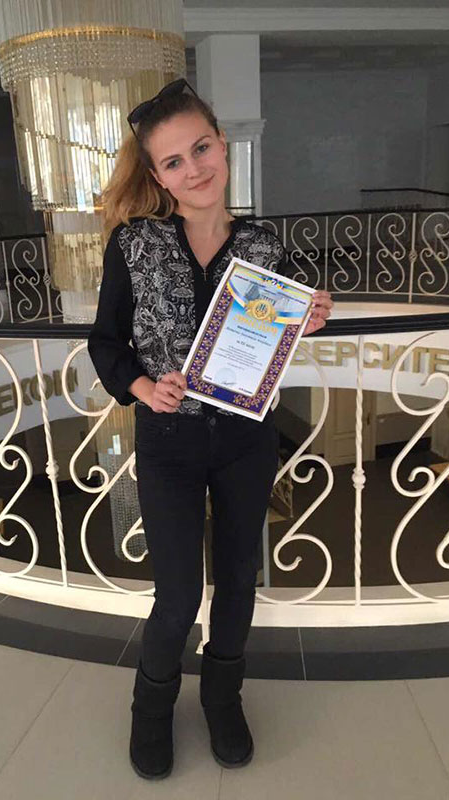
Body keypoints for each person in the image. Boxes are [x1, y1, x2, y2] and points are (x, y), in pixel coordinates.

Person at [88, 78, 333, 780]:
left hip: (245, 441)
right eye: (173, 161)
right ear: (157, 175)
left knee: (237, 580)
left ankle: (223, 698)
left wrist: (312, 316)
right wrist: (143, 387)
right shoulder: (133, 244)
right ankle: (152, 709)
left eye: (201, 148)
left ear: (222, 145)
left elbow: (287, 321)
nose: (193, 169)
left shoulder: (264, 245)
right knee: (177, 596)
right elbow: (106, 342)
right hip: (168, 442)